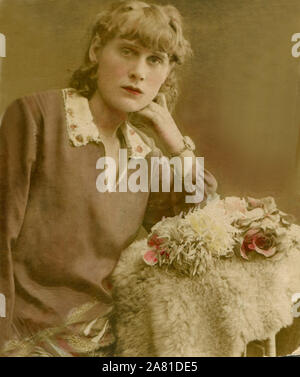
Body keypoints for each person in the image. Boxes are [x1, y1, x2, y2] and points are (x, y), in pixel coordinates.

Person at [0, 0, 217, 356]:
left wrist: (176, 143)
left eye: (154, 60)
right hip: (23, 339)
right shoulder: (37, 118)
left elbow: (199, 220)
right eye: (128, 52)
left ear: (165, 74)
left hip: (108, 346)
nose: (138, 72)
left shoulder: (142, 152)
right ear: (97, 49)